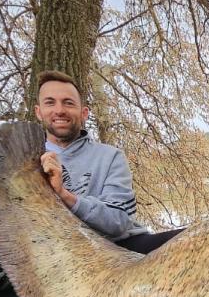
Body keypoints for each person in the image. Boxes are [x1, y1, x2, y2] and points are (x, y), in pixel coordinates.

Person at [32, 70, 183, 254]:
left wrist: (65, 195)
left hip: (121, 246)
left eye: (68, 103)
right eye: (50, 102)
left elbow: (118, 221)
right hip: (59, 255)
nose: (59, 110)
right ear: (38, 112)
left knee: (200, 239)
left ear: (84, 113)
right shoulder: (25, 165)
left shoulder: (111, 157)